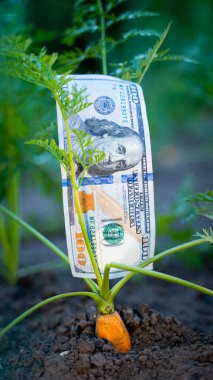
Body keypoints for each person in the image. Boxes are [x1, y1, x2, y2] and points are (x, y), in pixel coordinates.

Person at [68, 115, 143, 177]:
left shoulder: (74, 182)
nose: (112, 159)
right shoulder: (70, 123)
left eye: (120, 164)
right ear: (108, 135)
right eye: (119, 149)